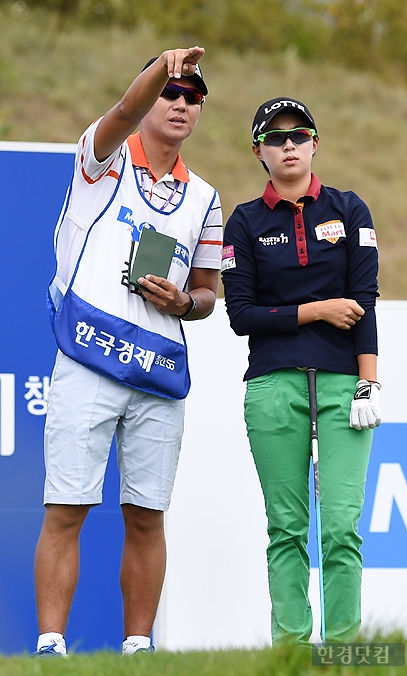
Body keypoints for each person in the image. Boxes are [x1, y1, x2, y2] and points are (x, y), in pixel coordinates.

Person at [33, 46, 223, 656]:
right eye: (171, 92)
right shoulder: (103, 159)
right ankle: (51, 645)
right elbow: (121, 109)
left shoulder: (205, 197)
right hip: (87, 359)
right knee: (68, 507)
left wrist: (180, 303)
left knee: (147, 516)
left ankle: (138, 650)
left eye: (193, 96)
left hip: (157, 371)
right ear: (149, 94)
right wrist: (159, 70)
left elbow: (208, 295)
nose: (181, 104)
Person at [221, 97, 380, 646]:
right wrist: (316, 311)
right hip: (271, 386)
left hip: (343, 386)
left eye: (298, 134)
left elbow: (365, 301)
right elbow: (241, 316)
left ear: (315, 142)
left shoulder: (349, 208)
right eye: (275, 136)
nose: (288, 144)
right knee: (286, 531)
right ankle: (289, 654)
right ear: (259, 151)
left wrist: (369, 381)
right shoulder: (243, 221)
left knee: (341, 530)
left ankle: (343, 650)